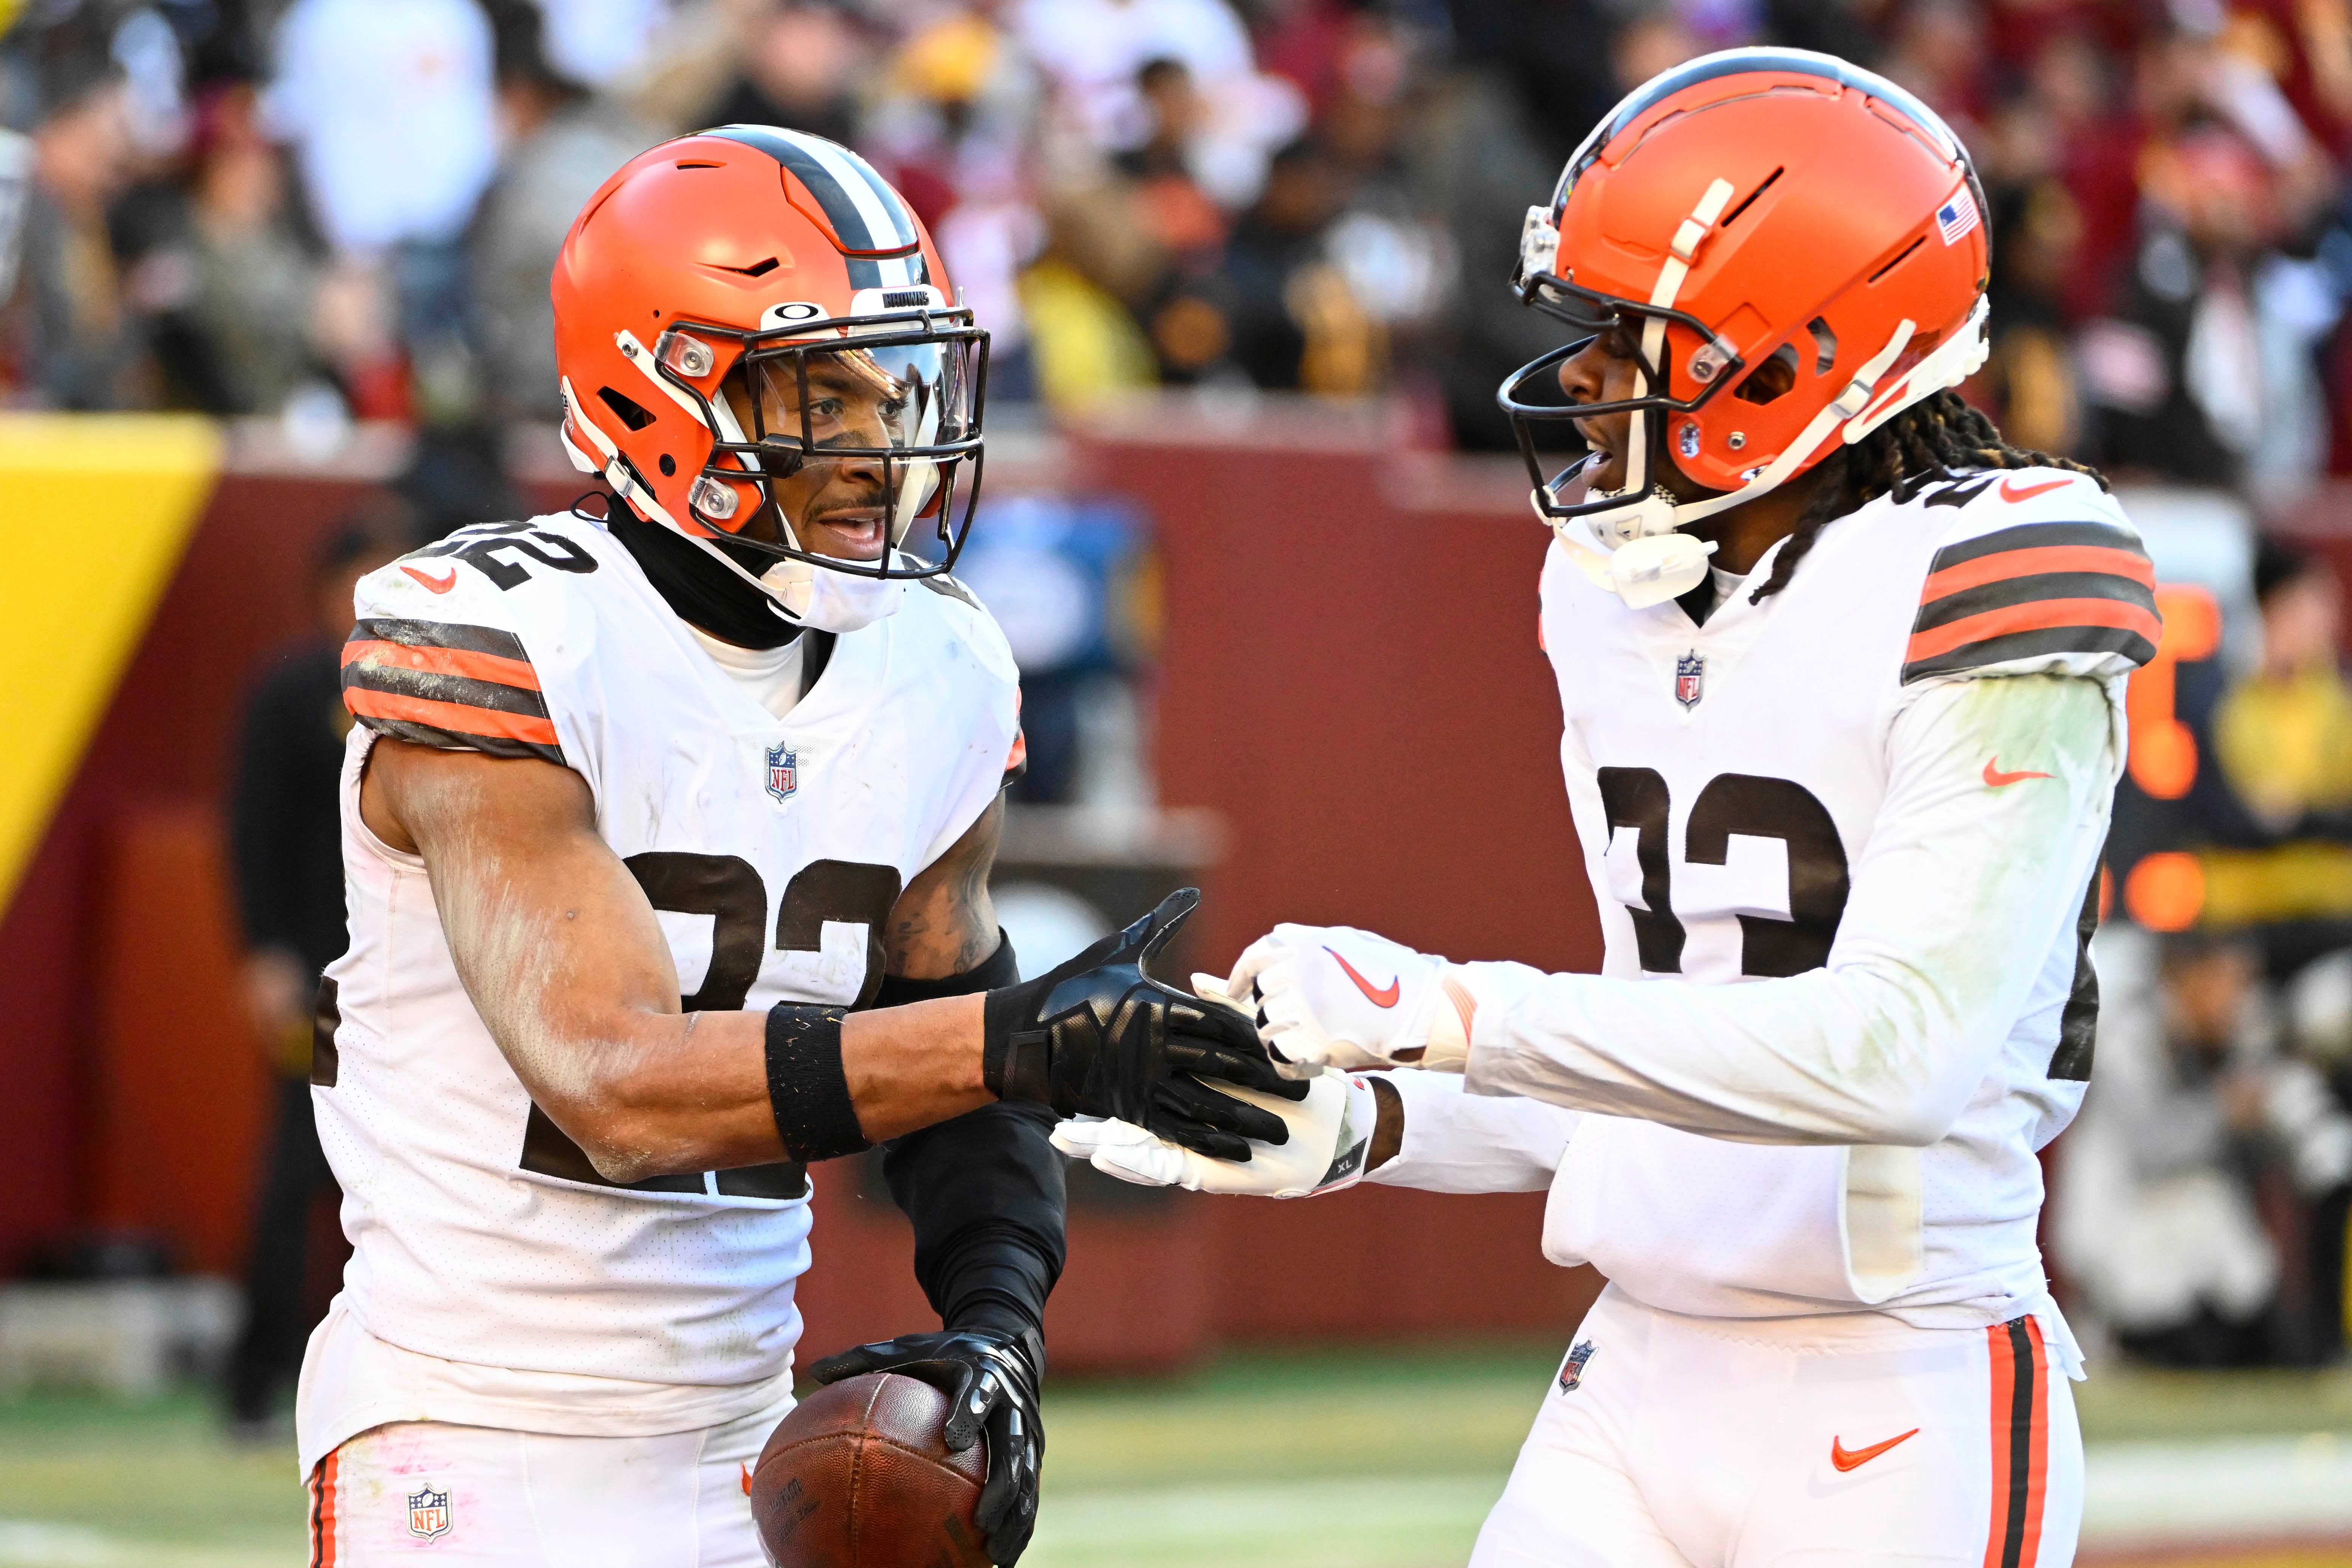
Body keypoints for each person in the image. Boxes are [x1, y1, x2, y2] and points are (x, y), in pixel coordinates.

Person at [1058, 49, 2163, 1566]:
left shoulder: (1996, 565)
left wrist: (1444, 1007)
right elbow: (1674, 1033)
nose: (1579, 378)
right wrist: (1361, 1113)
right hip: (1635, 1373)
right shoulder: (1610, 590)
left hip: (1897, 1385)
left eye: (1626, 336)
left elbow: (1887, 1052)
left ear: (1789, 351)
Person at [297, 126, 1292, 1567]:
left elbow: (954, 1074)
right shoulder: (510, 637)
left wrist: (997, 1329)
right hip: (472, 1431)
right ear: (662, 395)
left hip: (746, 1437)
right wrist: (1021, 1036)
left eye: (896, 390)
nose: (882, 449)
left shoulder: (933, 664)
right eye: (818, 395)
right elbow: (615, 1085)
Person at [224, 498, 418, 1437]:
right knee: (298, 1171)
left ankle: (385, 1377)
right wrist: (264, 953)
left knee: (408, 1177)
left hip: (415, 981)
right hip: (319, 975)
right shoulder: (294, 687)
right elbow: (252, 834)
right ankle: (256, 1377)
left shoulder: (432, 687)